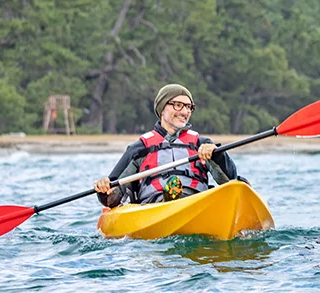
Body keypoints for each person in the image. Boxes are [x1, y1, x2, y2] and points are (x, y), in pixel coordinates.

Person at [93, 84, 240, 208]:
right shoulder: (139, 148)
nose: (185, 112)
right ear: (163, 108)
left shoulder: (202, 144)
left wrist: (217, 155)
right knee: (168, 195)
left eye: (189, 107)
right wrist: (104, 189)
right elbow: (112, 197)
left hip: (197, 203)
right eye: (178, 105)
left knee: (240, 183)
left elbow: (230, 180)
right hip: (154, 207)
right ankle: (170, 200)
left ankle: (179, 201)